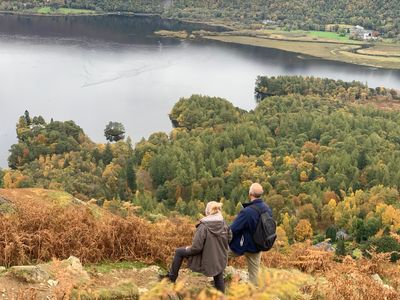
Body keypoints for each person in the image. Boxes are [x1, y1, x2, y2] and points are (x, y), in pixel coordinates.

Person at [164, 201, 231, 293]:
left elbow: (196, 248)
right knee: (217, 268)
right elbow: (230, 239)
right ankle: (221, 294)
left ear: (207, 212)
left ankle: (171, 279)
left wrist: (188, 248)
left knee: (179, 252)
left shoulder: (204, 226)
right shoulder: (225, 225)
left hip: (206, 260)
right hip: (219, 259)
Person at [229, 182, 273, 285]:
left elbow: (233, 229)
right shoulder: (267, 209)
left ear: (250, 194)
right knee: (254, 278)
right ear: (260, 194)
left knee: (220, 252)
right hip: (258, 246)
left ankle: (216, 278)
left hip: (242, 246)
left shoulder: (247, 212)